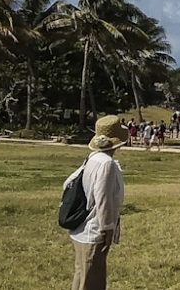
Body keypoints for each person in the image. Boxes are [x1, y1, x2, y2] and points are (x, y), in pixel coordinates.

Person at [65, 115, 126, 290]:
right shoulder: (106, 163)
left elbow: (68, 183)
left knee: (81, 274)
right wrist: (107, 227)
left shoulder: (92, 158)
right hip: (94, 229)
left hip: (82, 228)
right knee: (93, 280)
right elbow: (103, 197)